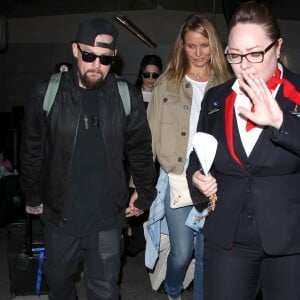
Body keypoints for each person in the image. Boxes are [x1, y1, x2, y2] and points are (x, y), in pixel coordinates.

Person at [20, 17, 157, 300]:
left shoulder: (125, 96)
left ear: (114, 58)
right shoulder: (47, 93)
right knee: (58, 284)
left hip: (107, 217)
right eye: (89, 55)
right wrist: (32, 195)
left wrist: (144, 192)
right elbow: (31, 149)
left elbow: (141, 150)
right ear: (74, 50)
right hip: (59, 215)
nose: (96, 64)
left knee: (105, 291)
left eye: (105, 59)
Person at [187, 2, 300, 300]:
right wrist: (197, 178)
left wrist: (279, 121)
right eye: (235, 55)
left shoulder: (298, 94)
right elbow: (198, 158)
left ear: (277, 47)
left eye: (254, 53)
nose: (244, 65)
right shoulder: (216, 99)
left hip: (290, 241)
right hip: (228, 239)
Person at [146, 14, 231, 300]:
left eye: (204, 45)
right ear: (182, 46)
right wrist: (138, 187)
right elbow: (149, 139)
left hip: (215, 182)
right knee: (182, 253)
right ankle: (172, 291)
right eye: (191, 45)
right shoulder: (167, 83)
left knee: (208, 255)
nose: (198, 53)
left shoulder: (227, 84)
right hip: (178, 180)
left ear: (214, 46)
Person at [124, 54, 163, 257]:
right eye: (146, 74)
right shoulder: (132, 94)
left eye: (155, 75)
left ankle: (146, 241)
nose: (150, 78)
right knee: (131, 194)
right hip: (133, 153)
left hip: (155, 154)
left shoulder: (164, 97)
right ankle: (131, 237)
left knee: (150, 195)